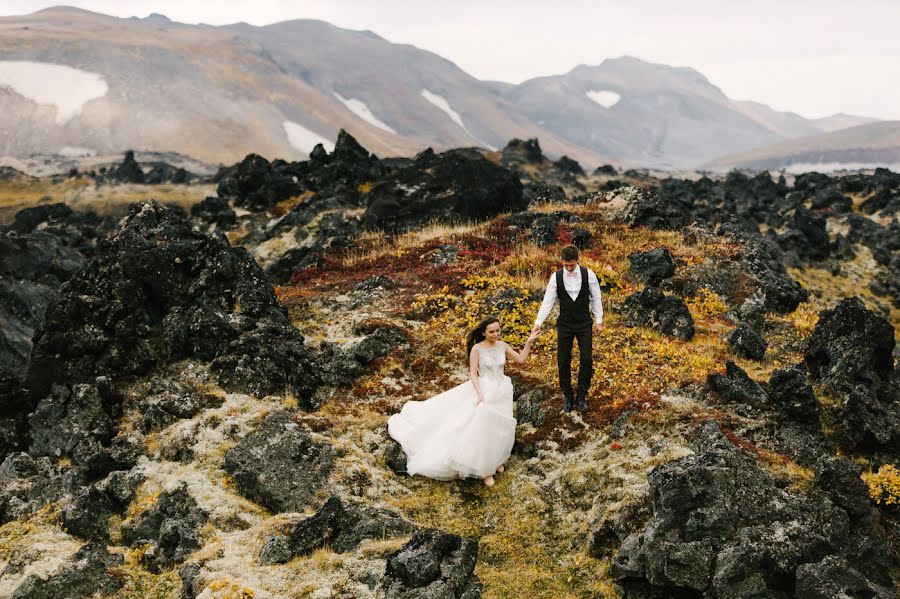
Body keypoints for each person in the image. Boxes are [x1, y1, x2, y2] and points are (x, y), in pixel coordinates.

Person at [388, 317, 541, 486]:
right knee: (482, 427)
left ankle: (496, 460)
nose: (496, 334)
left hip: (502, 390)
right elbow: (474, 374)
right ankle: (484, 470)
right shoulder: (477, 349)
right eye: (492, 331)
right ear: (483, 332)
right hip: (485, 389)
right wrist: (480, 393)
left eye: (498, 330)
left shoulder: (502, 346)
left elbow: (521, 360)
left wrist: (529, 343)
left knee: (499, 426)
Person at [531, 244, 603, 412]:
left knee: (586, 359)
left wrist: (598, 320)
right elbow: (547, 301)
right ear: (562, 262)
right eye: (566, 265)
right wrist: (538, 322)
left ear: (577, 260)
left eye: (572, 265)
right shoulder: (555, 277)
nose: (569, 268)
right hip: (565, 325)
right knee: (563, 361)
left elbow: (596, 297)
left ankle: (582, 395)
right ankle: (568, 396)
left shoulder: (589, 274)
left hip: (584, 324)